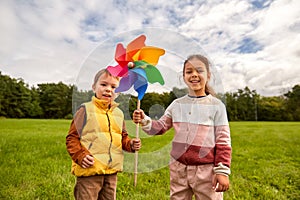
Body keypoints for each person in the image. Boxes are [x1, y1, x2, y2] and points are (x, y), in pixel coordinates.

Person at [133, 54, 231, 200]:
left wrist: (222, 171)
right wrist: (144, 120)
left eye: (199, 70)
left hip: (206, 169)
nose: (194, 75)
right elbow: (160, 127)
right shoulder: (176, 105)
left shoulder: (217, 106)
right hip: (178, 167)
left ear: (208, 75)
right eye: (189, 71)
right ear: (183, 77)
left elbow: (223, 140)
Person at [66, 69, 141, 200]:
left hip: (111, 172)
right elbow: (72, 138)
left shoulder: (119, 114)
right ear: (94, 87)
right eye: (103, 85)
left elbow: (122, 137)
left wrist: (130, 144)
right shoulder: (85, 110)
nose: (108, 90)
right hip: (90, 170)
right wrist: (80, 155)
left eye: (113, 87)